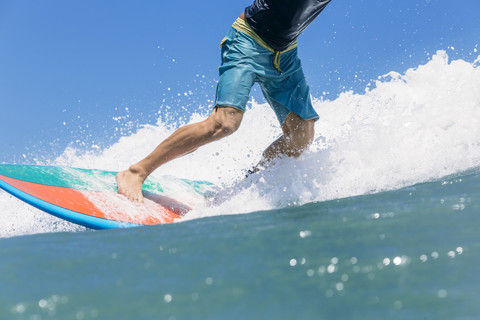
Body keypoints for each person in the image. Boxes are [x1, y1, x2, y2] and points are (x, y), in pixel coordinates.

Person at [117, 0, 333, 202]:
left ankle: (252, 182)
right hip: (248, 42)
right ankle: (136, 172)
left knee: (301, 135)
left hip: (285, 56)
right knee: (224, 123)